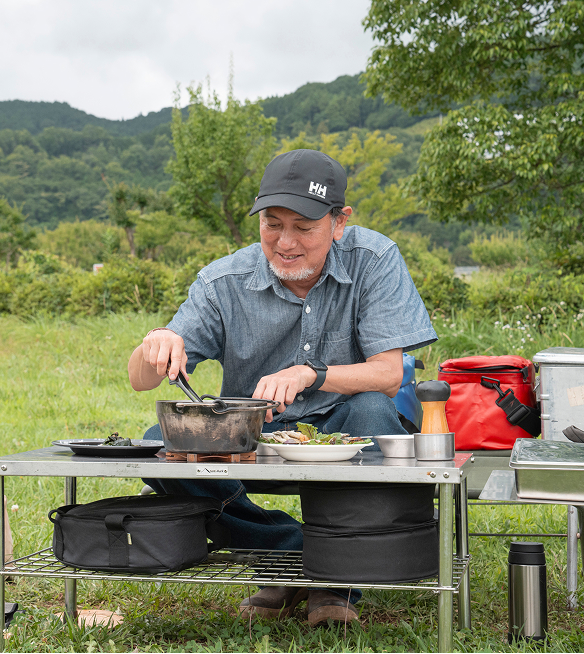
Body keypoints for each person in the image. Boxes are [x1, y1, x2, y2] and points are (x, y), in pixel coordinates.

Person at [127, 149, 437, 629]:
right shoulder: (222, 280)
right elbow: (139, 379)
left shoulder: (375, 259)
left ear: (339, 222)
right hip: (253, 437)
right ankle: (292, 553)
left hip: (345, 429)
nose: (285, 243)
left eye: (304, 227)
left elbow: (388, 373)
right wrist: (155, 343)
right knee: (157, 440)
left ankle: (334, 583)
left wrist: (310, 373)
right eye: (272, 224)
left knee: (374, 410)